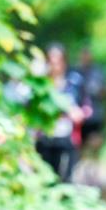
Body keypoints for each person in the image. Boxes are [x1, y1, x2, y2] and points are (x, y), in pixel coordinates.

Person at [35, 43, 85, 182]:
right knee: (46, 177)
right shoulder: (39, 83)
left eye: (58, 60)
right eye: (51, 60)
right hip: (44, 137)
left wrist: (77, 113)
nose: (55, 64)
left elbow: (83, 106)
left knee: (65, 178)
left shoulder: (74, 82)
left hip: (67, 137)